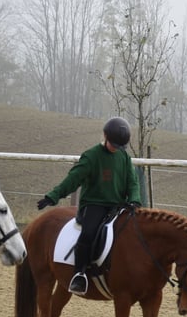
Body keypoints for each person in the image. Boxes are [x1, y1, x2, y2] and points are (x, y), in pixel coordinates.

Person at [37, 116, 142, 295]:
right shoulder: (92, 156)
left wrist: (135, 200)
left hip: (118, 205)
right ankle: (79, 274)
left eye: (119, 147)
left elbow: (132, 183)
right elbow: (73, 179)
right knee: (88, 233)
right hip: (94, 204)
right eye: (113, 145)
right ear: (105, 136)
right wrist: (53, 196)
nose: (115, 150)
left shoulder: (124, 157)